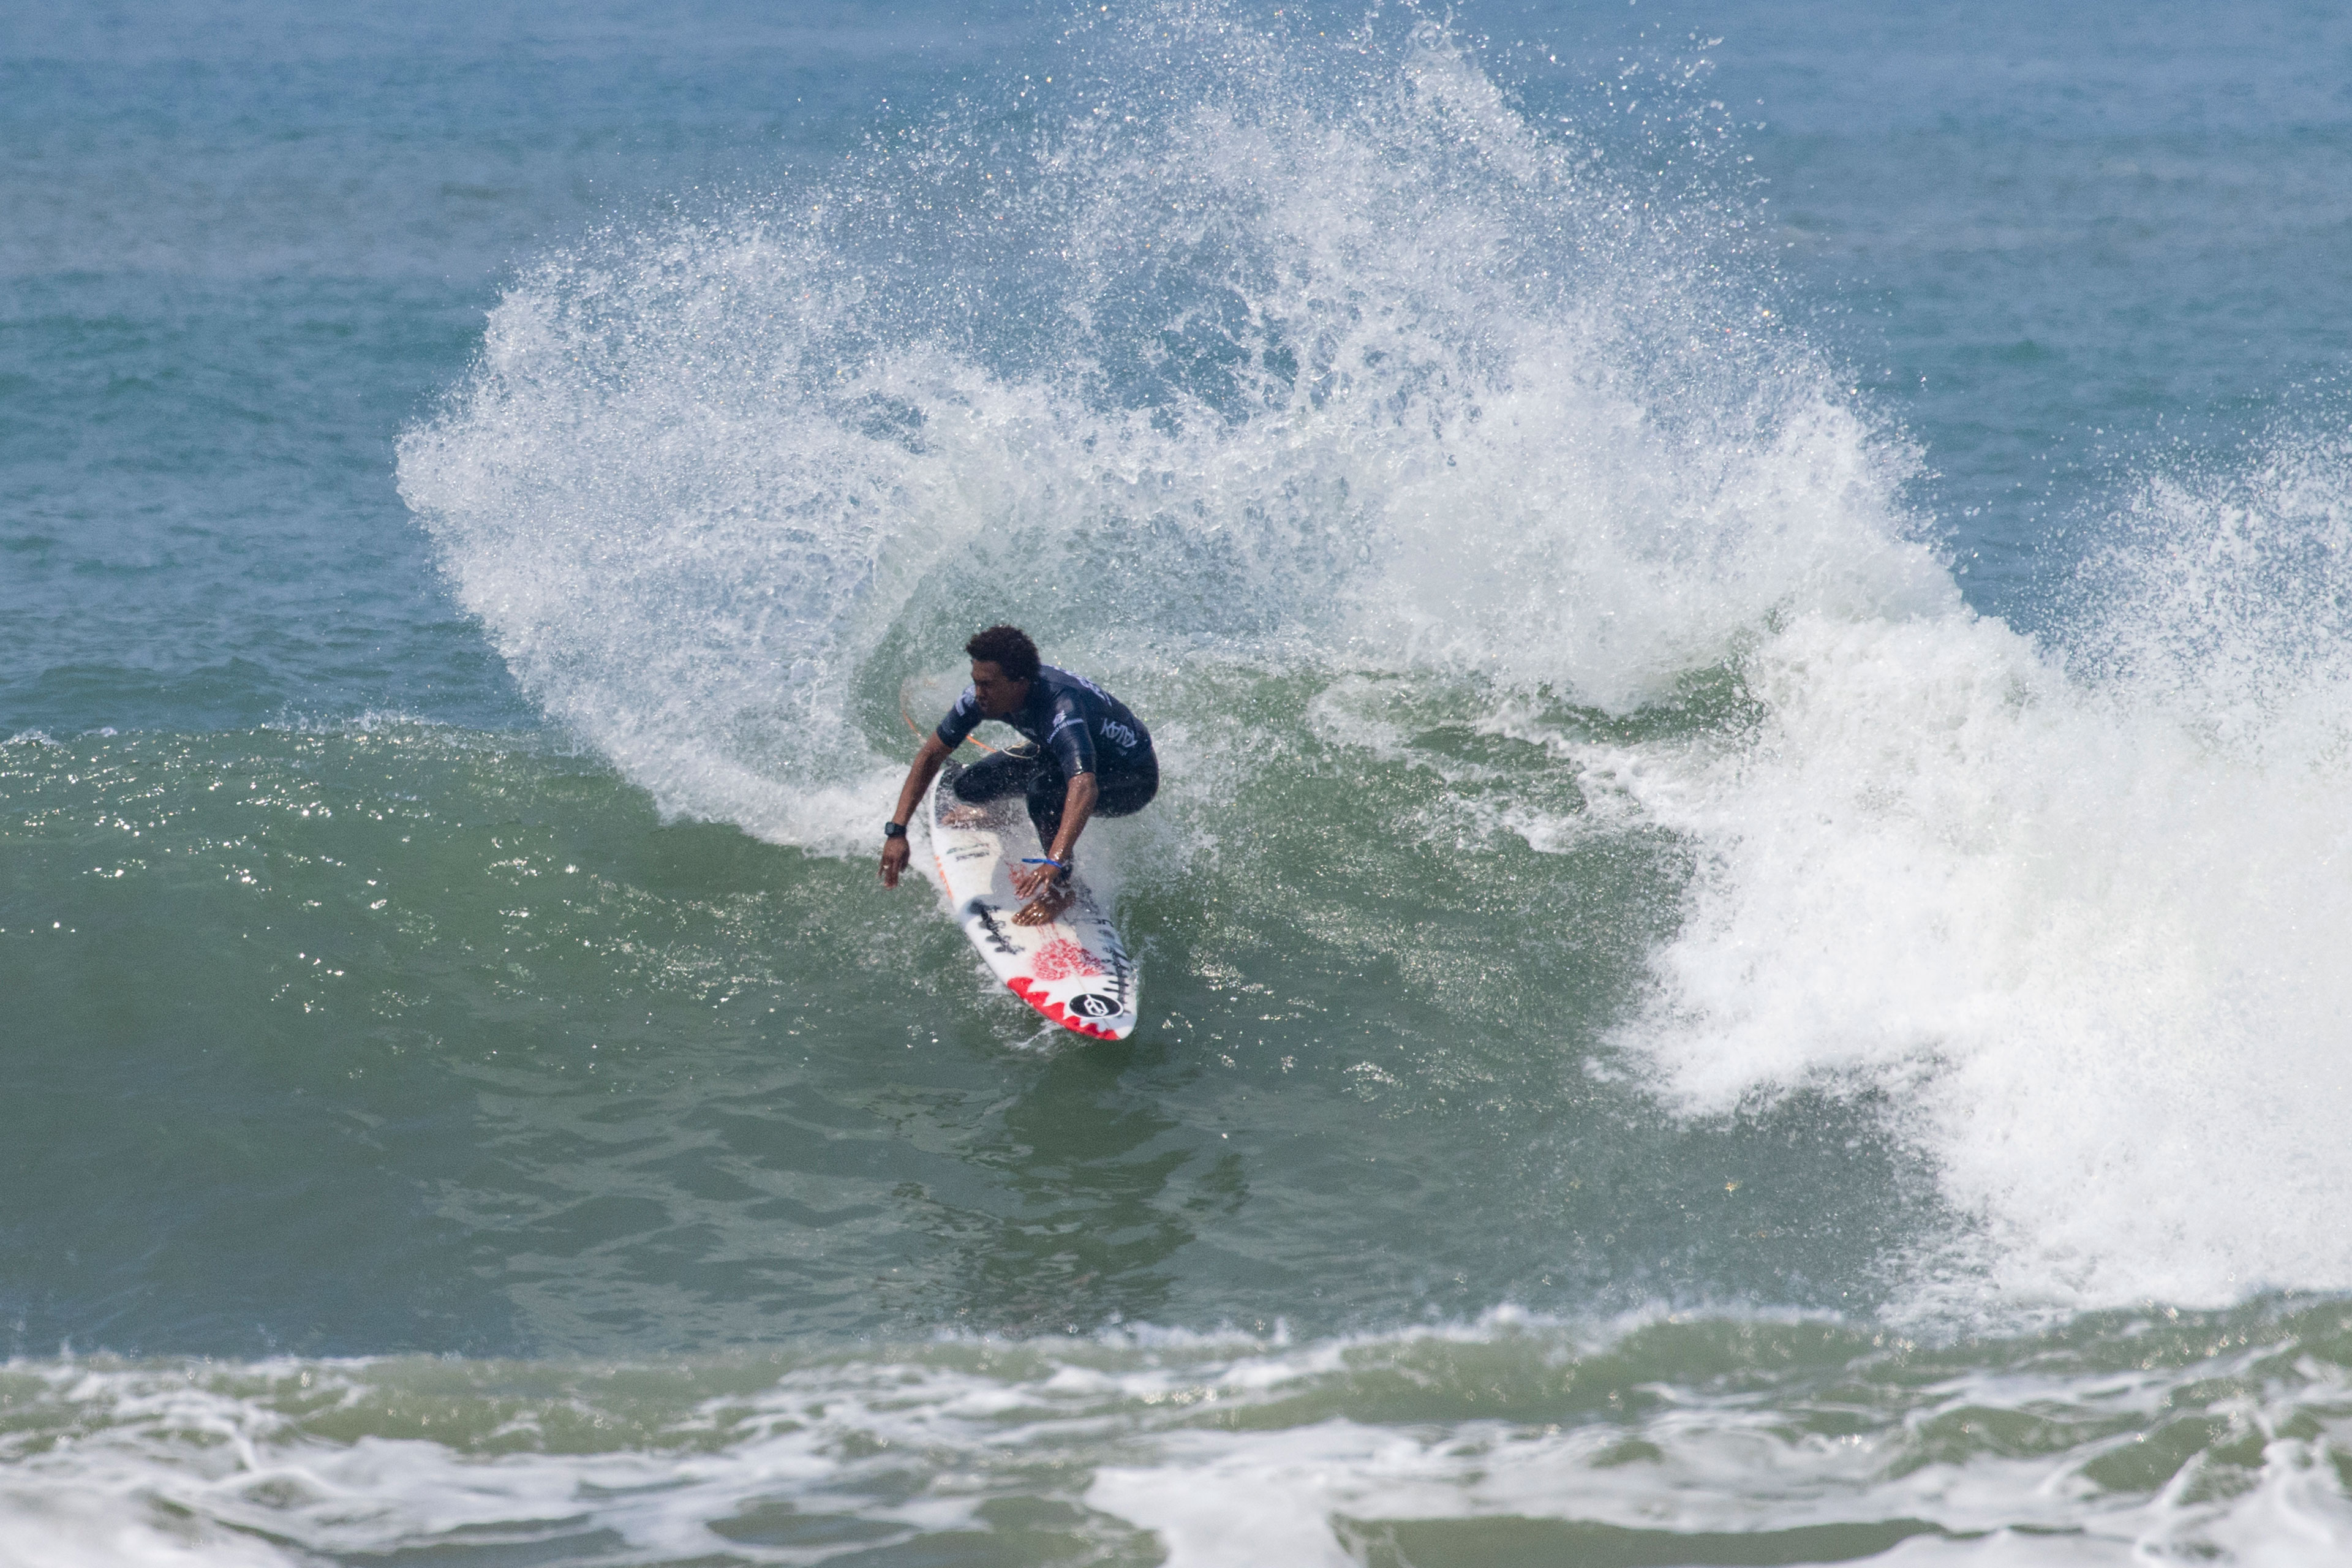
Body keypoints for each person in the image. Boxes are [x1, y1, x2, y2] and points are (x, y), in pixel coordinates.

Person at [879, 625, 1158, 924]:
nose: (978, 694)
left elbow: (1085, 786)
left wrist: (1055, 860)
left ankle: (1062, 890)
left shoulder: (1061, 708)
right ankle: (1002, 816)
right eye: (976, 682)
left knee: (1043, 795)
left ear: (1019, 683)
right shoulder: (982, 699)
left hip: (1130, 778)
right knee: (970, 786)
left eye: (987, 685)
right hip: (1057, 753)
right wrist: (898, 831)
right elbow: (931, 755)